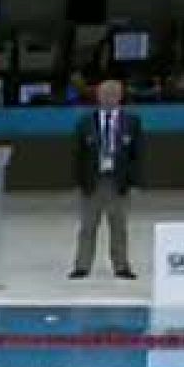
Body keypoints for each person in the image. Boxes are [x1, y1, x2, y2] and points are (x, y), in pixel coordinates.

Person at [71, 79, 141, 280]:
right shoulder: (86, 121)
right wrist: (79, 181)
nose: (108, 98)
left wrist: (134, 182)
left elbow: (138, 154)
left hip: (118, 182)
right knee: (87, 227)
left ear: (120, 97)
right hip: (93, 181)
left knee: (119, 226)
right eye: (104, 94)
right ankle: (82, 265)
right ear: (98, 96)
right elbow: (78, 153)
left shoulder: (131, 121)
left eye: (113, 94)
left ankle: (121, 266)